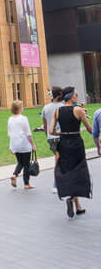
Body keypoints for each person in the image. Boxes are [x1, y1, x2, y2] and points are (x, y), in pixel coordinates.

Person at [48, 86, 94, 217]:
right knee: (79, 171)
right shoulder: (78, 110)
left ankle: (77, 206)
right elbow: (90, 129)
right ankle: (76, 200)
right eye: (76, 95)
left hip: (64, 143)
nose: (77, 97)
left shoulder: (57, 111)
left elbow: (51, 131)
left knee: (68, 171)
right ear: (71, 96)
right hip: (76, 143)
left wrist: (62, 133)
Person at [7, 100, 36, 189]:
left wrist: (11, 146)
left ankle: (15, 175)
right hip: (24, 143)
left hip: (15, 144)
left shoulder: (10, 119)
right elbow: (28, 133)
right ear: (20, 108)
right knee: (26, 164)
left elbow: (10, 133)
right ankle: (26, 183)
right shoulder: (23, 118)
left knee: (20, 162)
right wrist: (33, 145)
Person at [41, 86, 64, 193]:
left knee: (58, 159)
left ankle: (58, 182)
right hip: (61, 136)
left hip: (51, 138)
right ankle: (57, 183)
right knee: (60, 160)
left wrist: (47, 136)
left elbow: (45, 125)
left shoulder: (46, 108)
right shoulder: (63, 106)